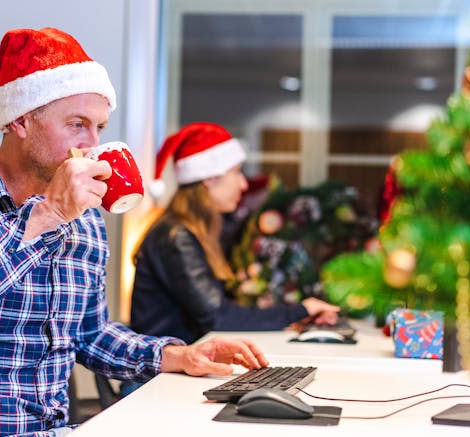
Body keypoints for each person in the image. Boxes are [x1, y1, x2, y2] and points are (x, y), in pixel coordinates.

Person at [0, 27, 267, 437]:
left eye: (99, 127)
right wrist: (46, 215)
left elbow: (88, 334)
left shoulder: (83, 222)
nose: (91, 145)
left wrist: (177, 355)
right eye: (77, 124)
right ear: (21, 120)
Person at [129, 122, 340, 346]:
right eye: (237, 172)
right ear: (209, 178)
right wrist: (299, 310)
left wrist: (297, 315)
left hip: (181, 366)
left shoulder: (196, 231)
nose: (243, 184)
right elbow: (218, 317)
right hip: (159, 377)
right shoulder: (176, 237)